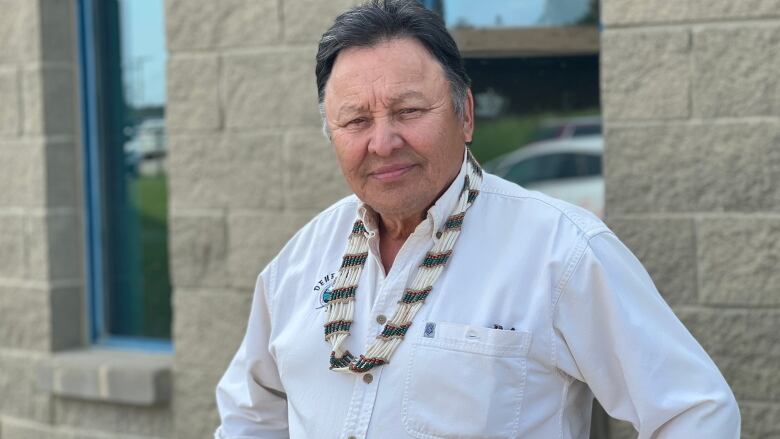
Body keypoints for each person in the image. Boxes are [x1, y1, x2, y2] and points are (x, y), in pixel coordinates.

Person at [214, 1, 740, 438]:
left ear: (465, 114)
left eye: (409, 111)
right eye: (356, 120)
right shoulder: (298, 262)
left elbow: (695, 412)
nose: (383, 141)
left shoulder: (560, 250)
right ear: (332, 134)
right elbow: (250, 414)